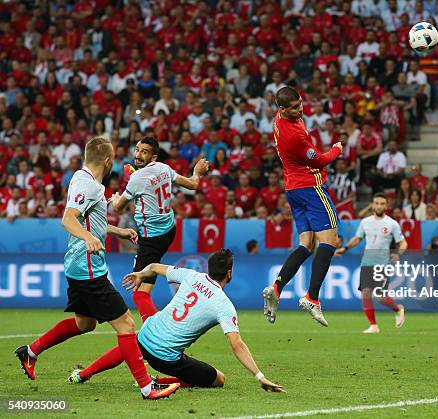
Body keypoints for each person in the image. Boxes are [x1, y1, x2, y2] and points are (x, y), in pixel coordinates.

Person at [14, 137, 179, 400]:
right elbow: (68, 220)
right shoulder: (87, 185)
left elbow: (92, 221)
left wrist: (117, 232)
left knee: (85, 323)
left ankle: (30, 351)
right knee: (126, 324)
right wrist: (88, 238)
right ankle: (147, 387)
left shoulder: (87, 182)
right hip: (89, 269)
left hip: (79, 267)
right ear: (107, 160)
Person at [67, 250, 285, 393]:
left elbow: (153, 266)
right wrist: (260, 376)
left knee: (130, 344)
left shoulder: (192, 276)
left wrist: (141, 275)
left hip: (145, 336)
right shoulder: (224, 305)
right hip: (165, 358)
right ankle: (157, 382)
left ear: (209, 268)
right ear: (229, 273)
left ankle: (84, 374)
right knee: (218, 379)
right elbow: (236, 344)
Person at [262, 86, 343, 327]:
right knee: (330, 242)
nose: (301, 109)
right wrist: (336, 150)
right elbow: (318, 160)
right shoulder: (294, 135)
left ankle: (277, 288)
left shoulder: (281, 119)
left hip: (293, 188)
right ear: (282, 109)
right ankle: (312, 298)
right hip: (311, 188)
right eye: (296, 107)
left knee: (306, 244)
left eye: (301, 104)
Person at [109, 136, 209, 318]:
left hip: (151, 239)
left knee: (139, 292)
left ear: (153, 157)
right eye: (137, 150)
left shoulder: (137, 178)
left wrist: (116, 198)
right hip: (169, 230)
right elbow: (193, 184)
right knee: (145, 282)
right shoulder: (164, 168)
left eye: (144, 152)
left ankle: (157, 333)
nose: (138, 155)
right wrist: (197, 172)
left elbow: (118, 207)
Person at [335, 193, 407, 333]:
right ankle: (373, 325)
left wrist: (398, 253)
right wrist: (345, 248)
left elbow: (403, 242)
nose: (379, 206)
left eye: (382, 203)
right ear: (372, 205)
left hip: (382, 263)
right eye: (377, 203)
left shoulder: (392, 224)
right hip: (367, 261)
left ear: (386, 206)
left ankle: (398, 309)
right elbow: (357, 238)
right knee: (366, 293)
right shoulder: (365, 222)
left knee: (380, 297)